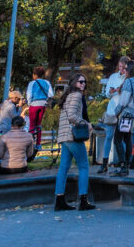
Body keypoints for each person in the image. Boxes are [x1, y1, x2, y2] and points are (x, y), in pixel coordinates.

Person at [53, 73, 95, 212]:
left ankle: (59, 200)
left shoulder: (68, 96)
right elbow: (72, 116)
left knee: (63, 168)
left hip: (64, 137)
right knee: (84, 166)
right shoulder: (77, 95)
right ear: (74, 83)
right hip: (72, 136)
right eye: (80, 82)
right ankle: (83, 200)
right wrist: (86, 123)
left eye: (85, 82)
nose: (83, 84)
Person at [109, 60, 134, 176]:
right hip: (133, 115)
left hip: (126, 115)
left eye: (126, 69)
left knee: (117, 139)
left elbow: (124, 100)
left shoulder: (128, 82)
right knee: (127, 139)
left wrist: (116, 111)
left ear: (130, 70)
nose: (124, 71)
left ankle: (123, 165)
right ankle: (126, 165)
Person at [99, 56, 129, 173]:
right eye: (120, 67)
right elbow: (107, 94)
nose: (121, 69)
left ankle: (123, 163)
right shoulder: (113, 77)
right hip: (112, 111)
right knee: (108, 137)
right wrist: (111, 92)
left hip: (123, 112)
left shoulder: (129, 79)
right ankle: (104, 163)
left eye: (123, 67)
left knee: (122, 139)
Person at [25, 67, 54, 147]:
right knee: (39, 124)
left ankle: (30, 144)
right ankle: (38, 144)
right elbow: (51, 94)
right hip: (43, 105)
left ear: (34, 74)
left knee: (32, 125)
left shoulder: (32, 83)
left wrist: (29, 103)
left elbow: (29, 95)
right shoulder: (47, 82)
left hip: (34, 104)